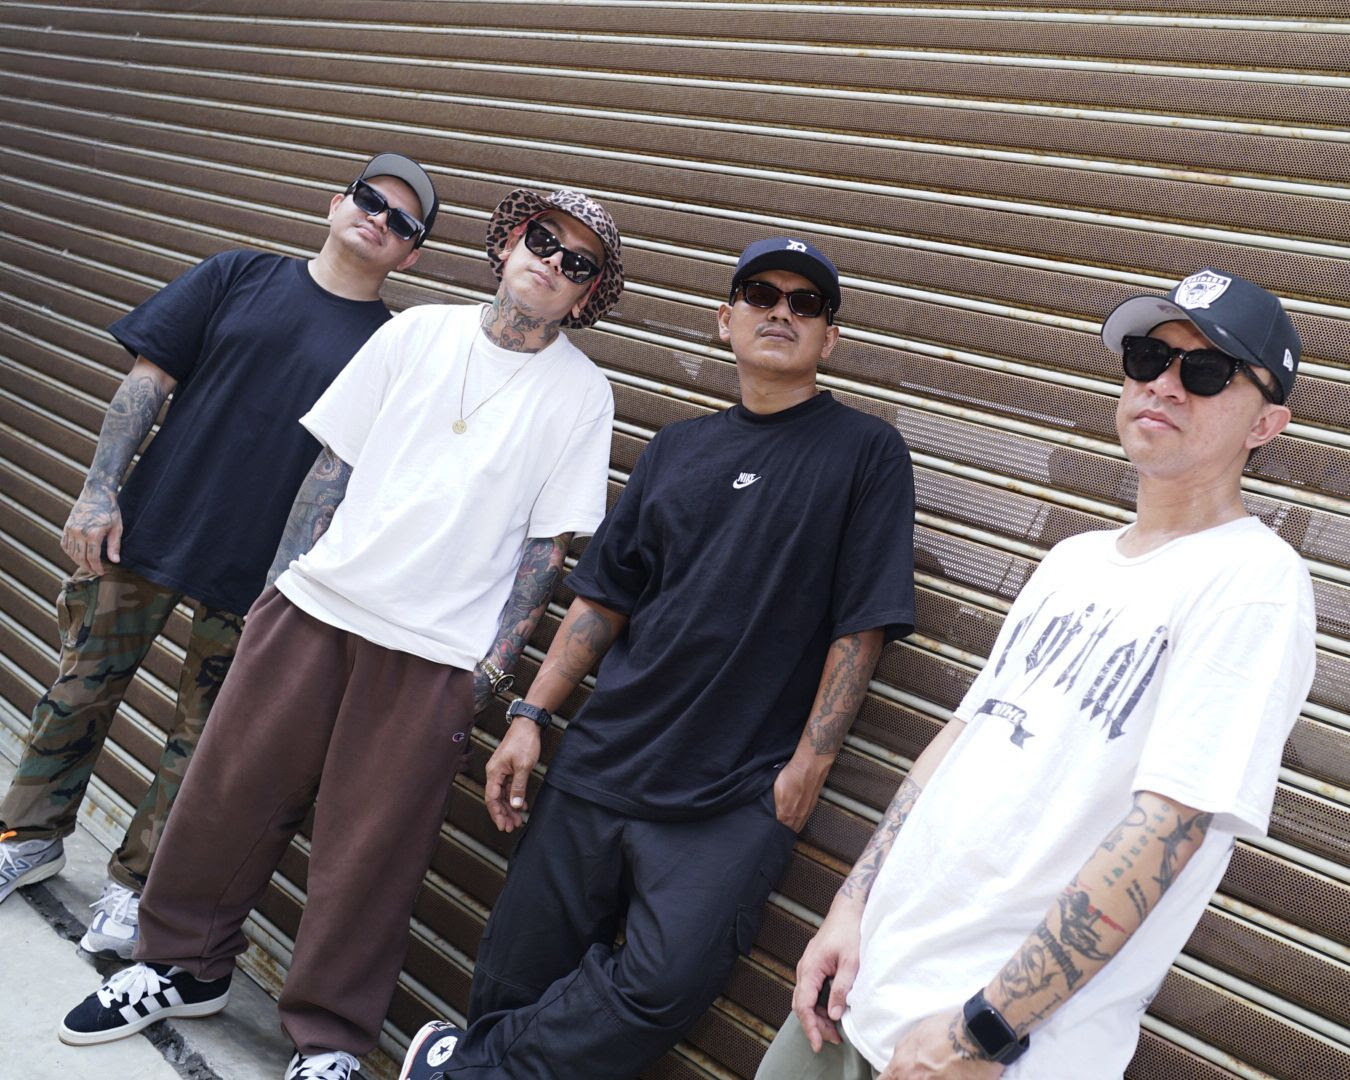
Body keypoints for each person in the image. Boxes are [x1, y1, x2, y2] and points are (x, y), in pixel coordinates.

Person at [57, 187, 625, 1080]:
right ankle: (178, 967)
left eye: (577, 263)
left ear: (588, 294)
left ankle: (327, 1040)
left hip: (436, 653)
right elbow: (332, 468)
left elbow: (546, 551)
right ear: (510, 241)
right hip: (315, 607)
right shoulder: (416, 332)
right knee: (226, 797)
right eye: (543, 240)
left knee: (371, 860)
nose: (552, 263)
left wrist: (490, 671)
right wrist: (277, 594)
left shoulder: (584, 396)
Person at [755, 269, 1316, 1080]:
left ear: (1266, 424)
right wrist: (851, 907)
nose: (1163, 384)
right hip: (863, 991)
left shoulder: (1256, 584)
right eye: (1147, 356)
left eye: (1206, 371)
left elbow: (1168, 830)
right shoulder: (1072, 561)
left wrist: (983, 1032)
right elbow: (960, 740)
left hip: (984, 1052)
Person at [398, 237, 918, 1080]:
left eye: (806, 303)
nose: (781, 311)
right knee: (515, 975)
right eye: (760, 294)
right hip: (604, 759)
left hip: (732, 791)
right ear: (724, 320)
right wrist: (531, 715)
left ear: (829, 340)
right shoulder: (678, 449)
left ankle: (460, 1070)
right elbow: (602, 600)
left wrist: (809, 766)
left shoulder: (865, 453)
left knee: (661, 986)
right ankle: (476, 1064)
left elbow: (861, 626)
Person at [0, 152, 435, 956]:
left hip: (265, 576)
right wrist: (98, 490)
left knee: (201, 745)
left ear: (409, 256)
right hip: (148, 529)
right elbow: (147, 381)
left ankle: (135, 888)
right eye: (369, 198)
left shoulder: (393, 346)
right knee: (78, 690)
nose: (378, 217)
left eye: (402, 220)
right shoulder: (240, 275)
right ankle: (27, 837)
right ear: (334, 203)